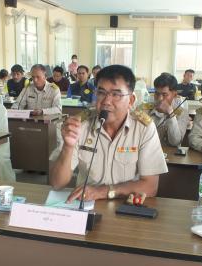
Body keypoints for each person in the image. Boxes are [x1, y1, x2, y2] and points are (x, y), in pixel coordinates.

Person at [50, 64, 168, 202]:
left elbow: (150, 186)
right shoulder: (81, 125)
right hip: (86, 205)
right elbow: (57, 183)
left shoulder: (143, 128)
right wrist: (68, 147)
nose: (106, 101)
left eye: (116, 94)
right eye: (101, 93)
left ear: (131, 100)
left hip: (125, 206)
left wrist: (103, 191)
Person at [142, 72, 189, 147]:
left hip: (171, 156)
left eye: (164, 94)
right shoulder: (145, 109)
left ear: (174, 95)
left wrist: (170, 114)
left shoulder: (182, 112)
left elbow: (175, 142)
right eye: (157, 93)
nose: (160, 98)